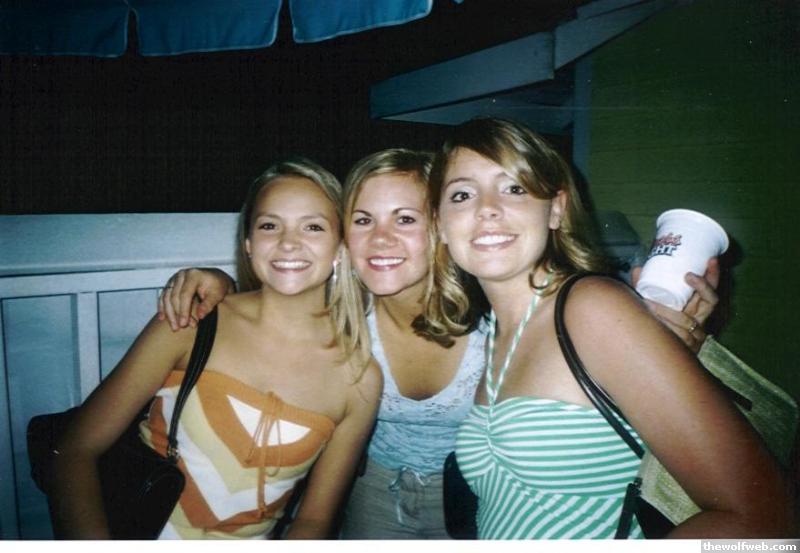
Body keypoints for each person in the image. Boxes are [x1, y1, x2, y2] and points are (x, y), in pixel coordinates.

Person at [157, 149, 725, 539]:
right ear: (343, 238)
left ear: (440, 228)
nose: (381, 238)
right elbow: (271, 301)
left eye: (405, 218)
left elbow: (588, 342)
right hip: (369, 494)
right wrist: (216, 282)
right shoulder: (340, 317)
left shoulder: (494, 309)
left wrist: (670, 337)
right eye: (362, 220)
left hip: (475, 498)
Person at [425, 116, 793, 538]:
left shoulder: (591, 308)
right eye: (462, 194)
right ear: (440, 224)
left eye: (514, 188)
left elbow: (767, 519)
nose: (487, 208)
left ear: (556, 209)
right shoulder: (493, 330)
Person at [50, 158, 381, 539]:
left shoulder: (359, 378)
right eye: (270, 225)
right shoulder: (190, 323)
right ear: (248, 243)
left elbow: (314, 521)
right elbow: (74, 452)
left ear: (340, 247)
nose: (289, 242)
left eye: (313, 226)